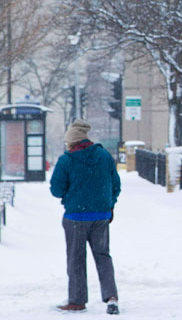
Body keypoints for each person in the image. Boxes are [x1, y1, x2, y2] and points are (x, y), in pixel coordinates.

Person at [50, 119, 121, 315]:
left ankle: (77, 301)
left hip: (75, 217)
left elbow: (56, 190)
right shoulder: (104, 156)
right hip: (101, 216)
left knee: (76, 259)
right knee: (103, 255)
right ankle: (111, 297)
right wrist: (109, 205)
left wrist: (70, 194)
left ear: (71, 142)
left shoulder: (67, 160)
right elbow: (116, 184)